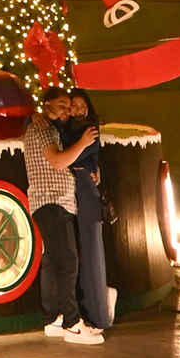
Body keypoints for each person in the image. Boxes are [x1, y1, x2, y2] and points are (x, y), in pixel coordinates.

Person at [22, 87, 105, 344]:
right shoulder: (44, 128)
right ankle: (72, 323)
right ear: (47, 105)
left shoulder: (52, 128)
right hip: (53, 202)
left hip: (51, 202)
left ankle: (53, 318)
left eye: (69, 107)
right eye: (62, 105)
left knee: (52, 261)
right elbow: (57, 161)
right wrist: (84, 143)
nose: (68, 111)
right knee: (68, 262)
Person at [68, 88, 115, 330]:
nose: (78, 110)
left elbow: (74, 158)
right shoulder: (65, 128)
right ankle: (88, 310)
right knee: (74, 251)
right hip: (72, 188)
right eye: (73, 105)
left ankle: (99, 314)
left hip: (86, 188)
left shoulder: (90, 130)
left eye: (82, 105)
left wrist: (67, 155)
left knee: (90, 250)